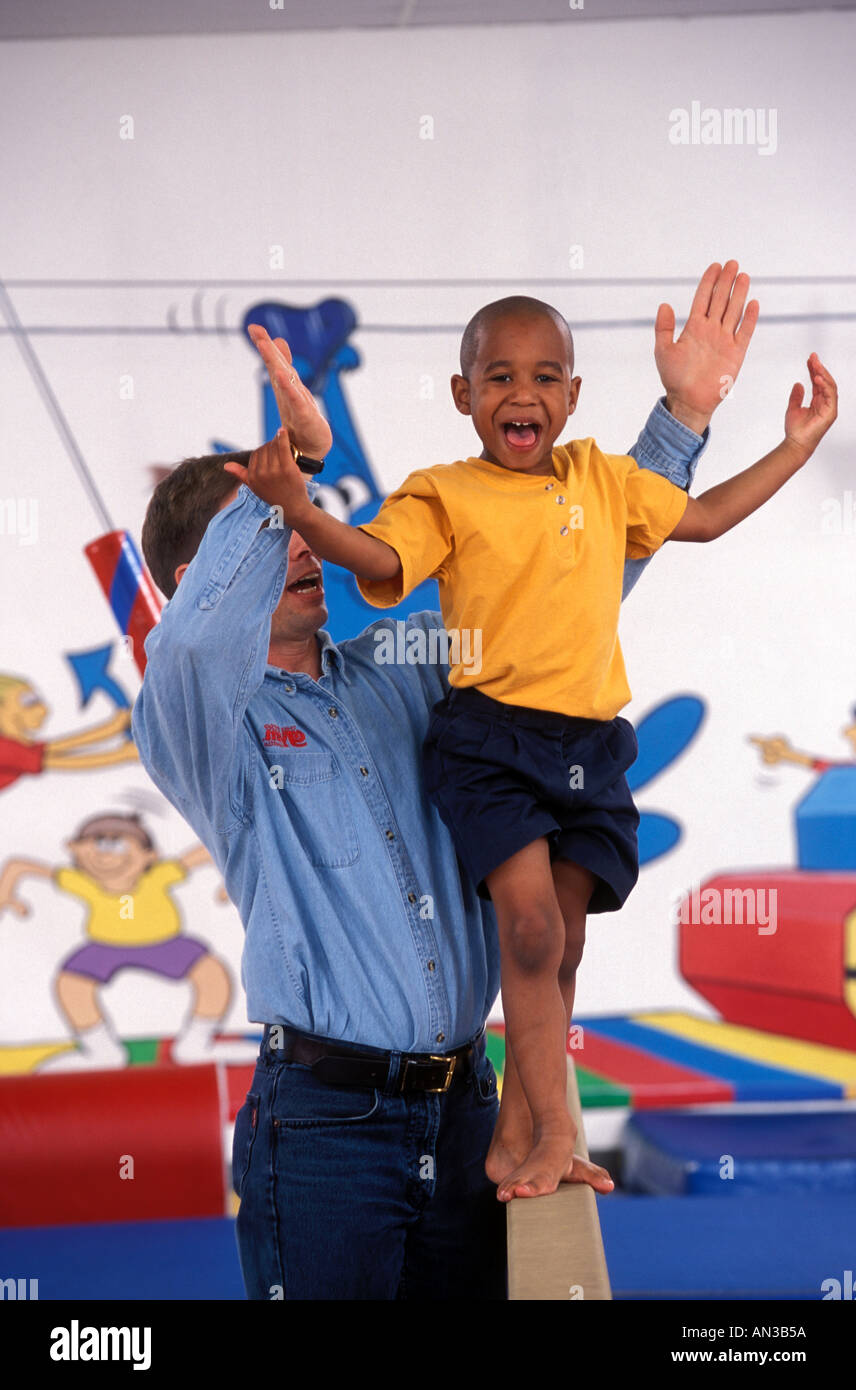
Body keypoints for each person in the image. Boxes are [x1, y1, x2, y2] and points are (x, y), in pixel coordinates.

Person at [134, 263, 747, 1300]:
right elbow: (192, 648)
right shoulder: (207, 725)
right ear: (198, 583)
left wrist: (683, 412)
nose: (299, 539)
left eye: (296, 518)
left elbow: (573, 562)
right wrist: (299, 466)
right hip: (322, 1123)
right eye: (267, 530)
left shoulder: (415, 664)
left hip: (469, 1105)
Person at [243, 273, 837, 1207]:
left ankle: (518, 1121)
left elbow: (708, 518)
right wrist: (306, 514)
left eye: (546, 376)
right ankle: (558, 1124)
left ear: (572, 396)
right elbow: (384, 560)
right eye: (498, 377)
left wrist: (795, 446)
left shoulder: (607, 479)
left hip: (590, 747)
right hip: (490, 743)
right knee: (524, 927)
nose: (523, 394)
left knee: (560, 948)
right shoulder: (445, 494)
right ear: (463, 394)